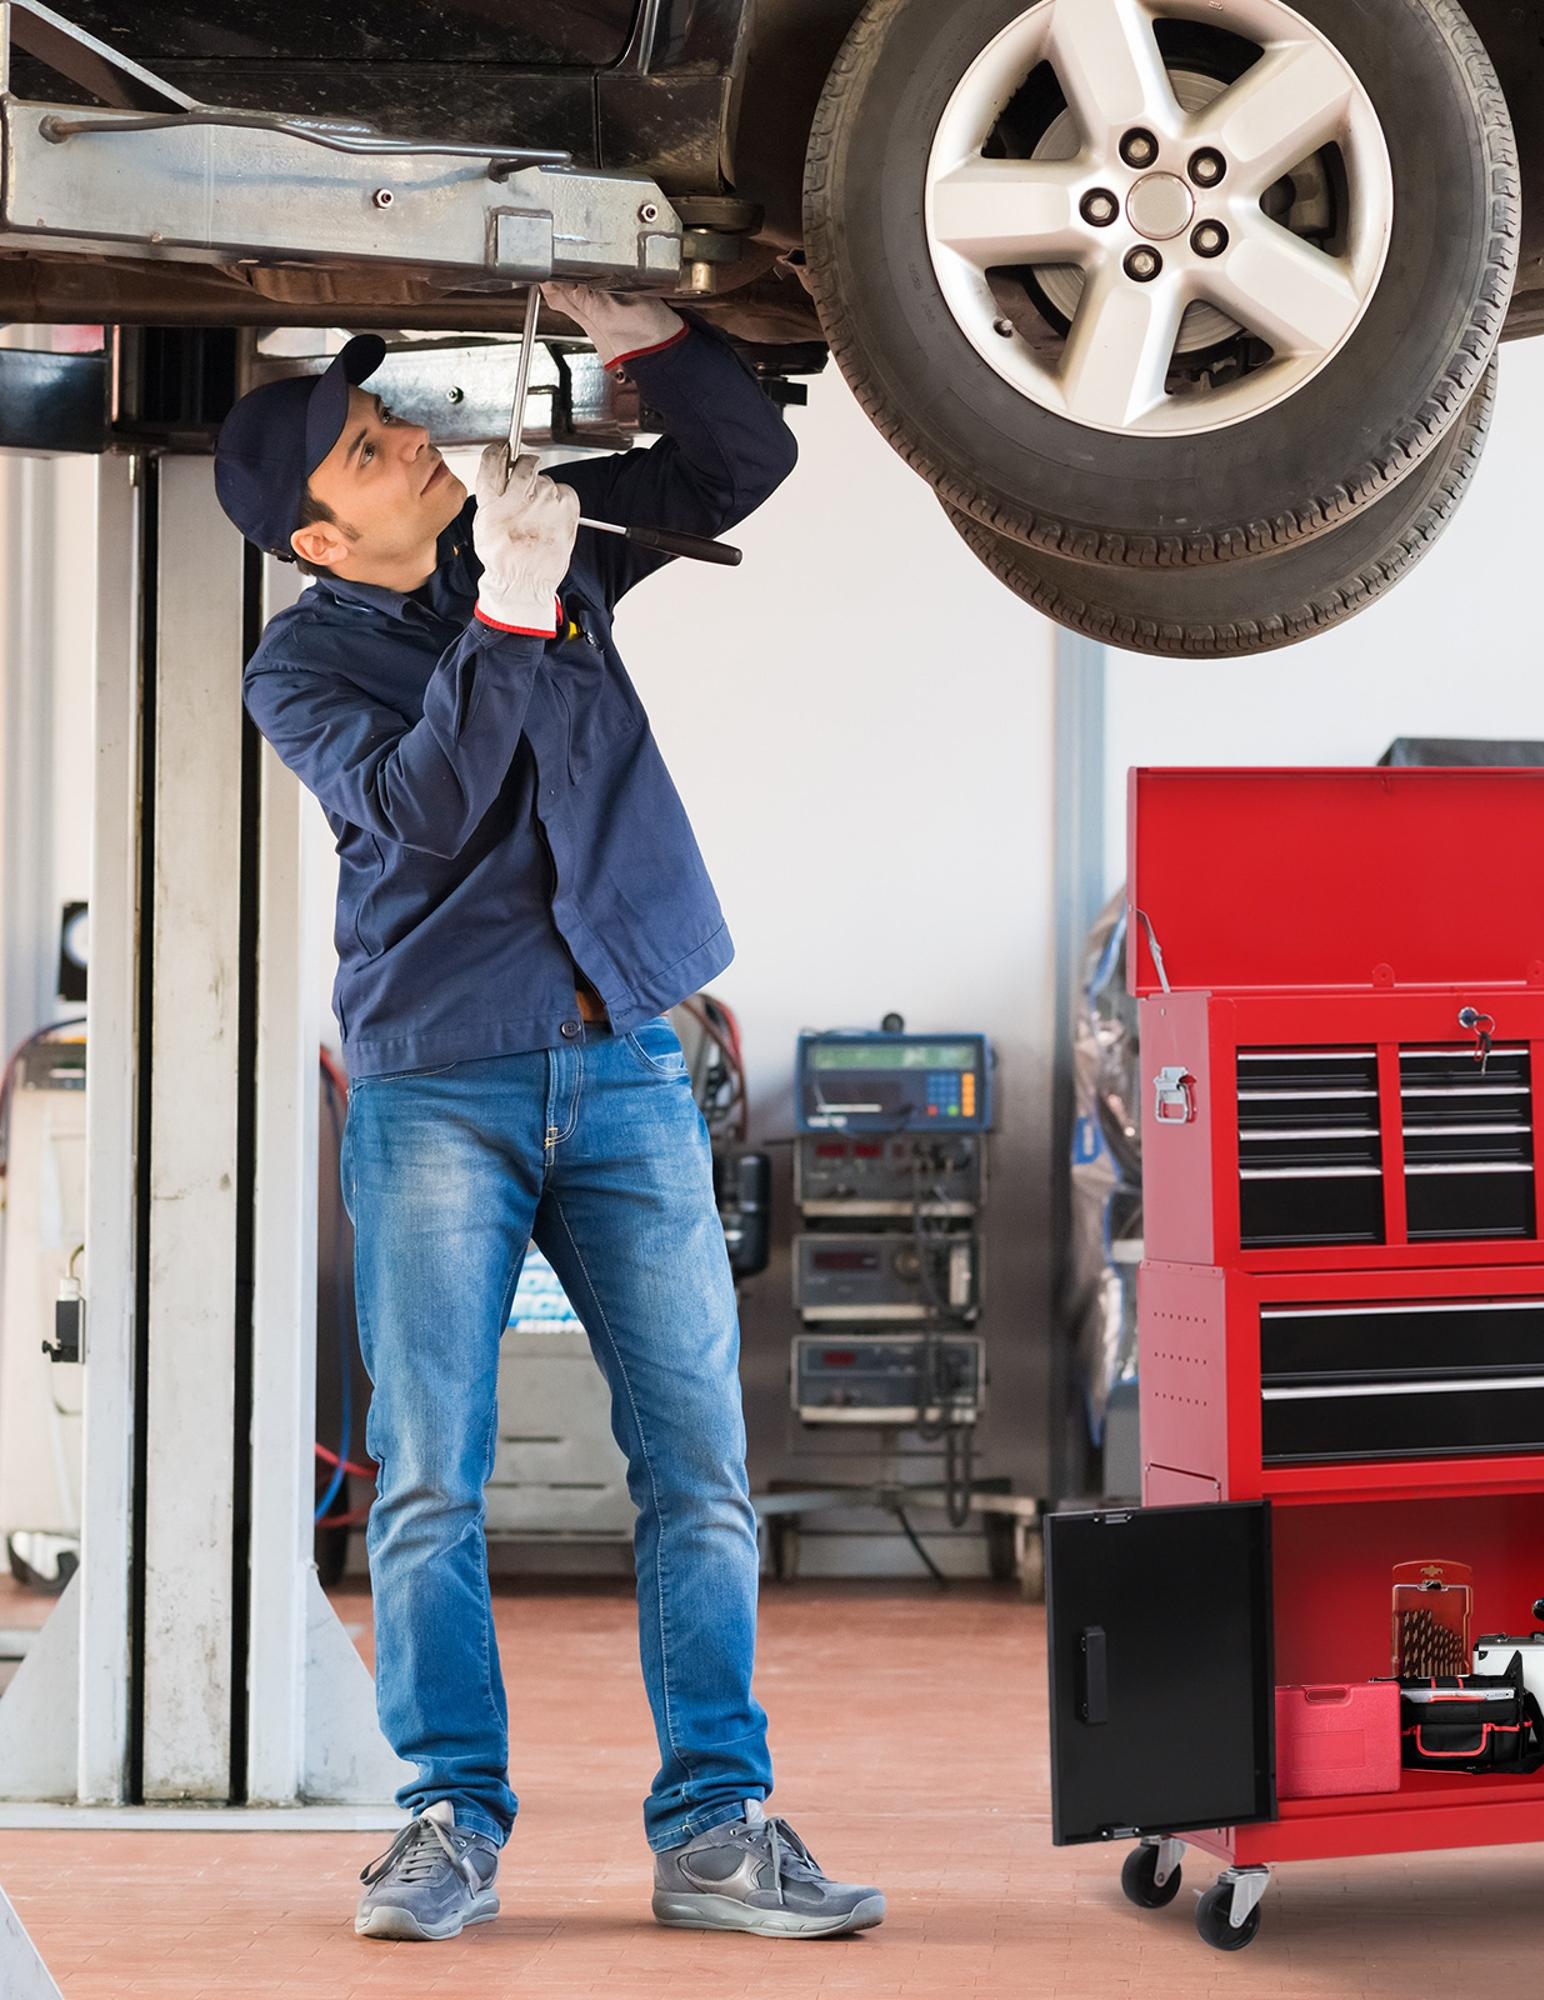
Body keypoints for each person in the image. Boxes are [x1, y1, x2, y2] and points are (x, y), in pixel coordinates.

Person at [213, 283, 882, 1944]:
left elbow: (738, 464)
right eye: (368, 450)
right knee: (431, 1478)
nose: (409, 444)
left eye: (389, 418)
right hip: (442, 1084)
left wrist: (648, 335)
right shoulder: (299, 669)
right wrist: (512, 614)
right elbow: (426, 806)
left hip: (628, 1057)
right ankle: (449, 1820)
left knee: (700, 1466)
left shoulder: (541, 544)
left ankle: (716, 1830)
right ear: (317, 538)